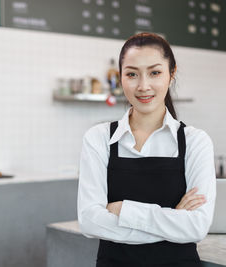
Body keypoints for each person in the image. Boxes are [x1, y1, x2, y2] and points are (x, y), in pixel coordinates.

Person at [77, 32, 216, 267]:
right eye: (132, 74)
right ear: (121, 78)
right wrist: (173, 221)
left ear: (171, 75)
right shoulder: (98, 138)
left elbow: (196, 227)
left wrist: (125, 211)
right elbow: (90, 222)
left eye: (155, 73)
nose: (143, 86)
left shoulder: (195, 141)